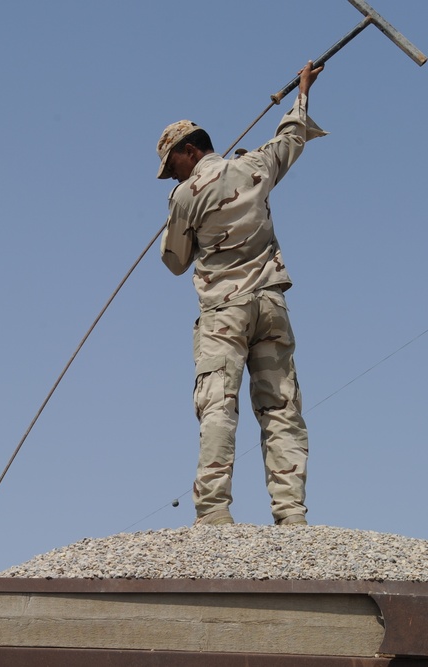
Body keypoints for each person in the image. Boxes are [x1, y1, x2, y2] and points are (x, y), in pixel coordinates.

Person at [156, 61, 326, 527]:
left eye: (172, 165)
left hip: (224, 312)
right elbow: (291, 138)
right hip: (270, 304)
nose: (171, 176)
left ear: (190, 151)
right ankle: (291, 516)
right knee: (280, 408)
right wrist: (303, 90)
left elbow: (174, 262)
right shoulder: (253, 165)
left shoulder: (185, 195)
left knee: (218, 406)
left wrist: (180, 214)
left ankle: (213, 514)